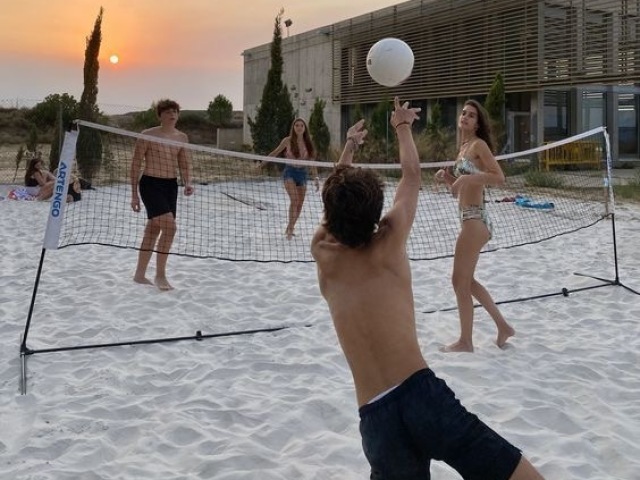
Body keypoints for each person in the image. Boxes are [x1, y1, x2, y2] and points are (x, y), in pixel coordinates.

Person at [311, 97, 544, 479]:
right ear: (377, 214)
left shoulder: (323, 252)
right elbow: (411, 175)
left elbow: (333, 200)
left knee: (464, 280)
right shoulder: (389, 240)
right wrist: (402, 125)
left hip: (375, 418)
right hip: (422, 397)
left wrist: (350, 147)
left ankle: (488, 328)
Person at [435, 99, 515, 353]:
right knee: (466, 282)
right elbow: (461, 190)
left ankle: (466, 341)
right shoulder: (463, 149)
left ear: (478, 123)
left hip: (476, 218)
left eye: (471, 115)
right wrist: (449, 179)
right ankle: (503, 326)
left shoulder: (479, 145)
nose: (466, 117)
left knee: (458, 281)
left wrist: (466, 177)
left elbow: (499, 178)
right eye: (464, 113)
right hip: (468, 217)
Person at [130, 99, 194, 291]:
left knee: (153, 229)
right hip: (150, 184)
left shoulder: (182, 137)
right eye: (167, 112)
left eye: (175, 111)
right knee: (170, 228)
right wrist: (134, 195)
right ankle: (160, 275)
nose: (172, 115)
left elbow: (184, 163)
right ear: (160, 115)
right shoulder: (148, 135)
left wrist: (188, 182)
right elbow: (135, 164)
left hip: (170, 186)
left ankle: (139, 275)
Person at [265, 118, 319, 240]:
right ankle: (289, 230)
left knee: (300, 204)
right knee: (294, 201)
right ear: (293, 127)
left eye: (301, 125)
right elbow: (275, 152)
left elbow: (312, 162)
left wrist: (315, 177)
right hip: (290, 172)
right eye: (297, 125)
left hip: (302, 173)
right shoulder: (287, 141)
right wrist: (262, 164)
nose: (299, 127)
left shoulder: (308, 142)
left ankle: (291, 227)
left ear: (305, 128)